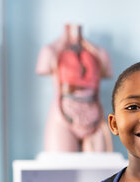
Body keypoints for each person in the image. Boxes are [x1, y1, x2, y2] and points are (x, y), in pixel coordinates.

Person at [36, 24, 113, 152]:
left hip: (93, 113)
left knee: (100, 165)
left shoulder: (95, 53)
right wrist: (62, 39)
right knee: (61, 165)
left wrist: (87, 43)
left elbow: (107, 71)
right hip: (63, 112)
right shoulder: (55, 52)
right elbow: (42, 67)